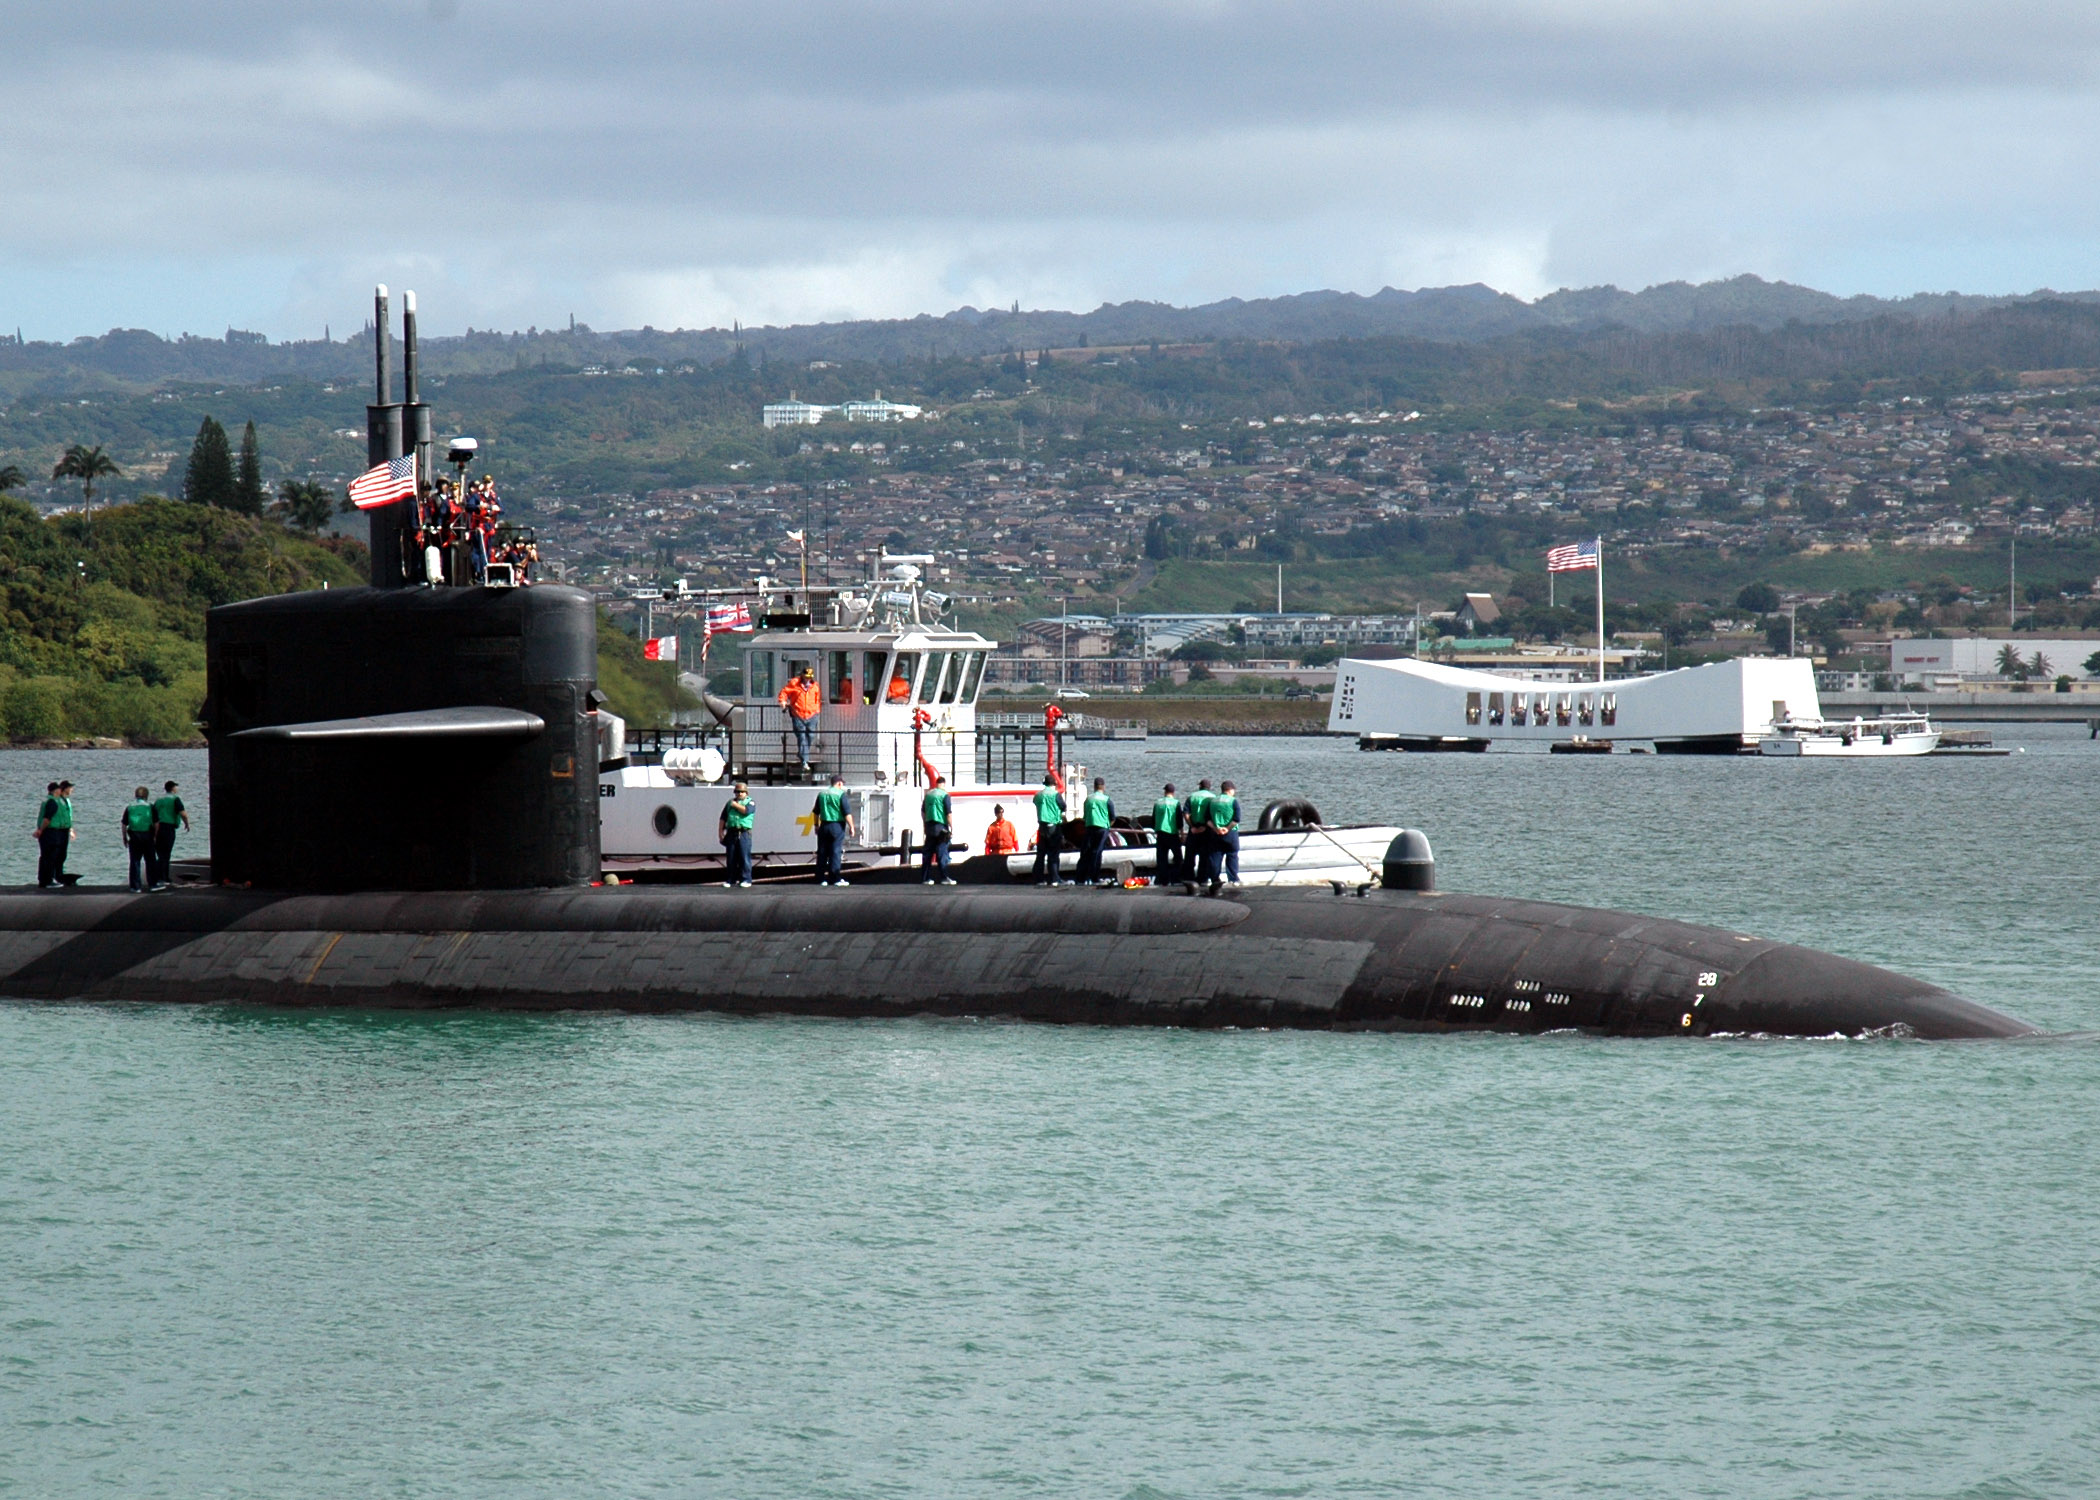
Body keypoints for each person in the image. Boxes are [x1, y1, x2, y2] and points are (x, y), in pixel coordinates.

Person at [811, 773, 854, 885]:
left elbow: (815, 812)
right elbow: (847, 813)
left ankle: (820, 879)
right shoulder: (840, 794)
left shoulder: (822, 794)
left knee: (822, 852)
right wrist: (852, 827)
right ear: (839, 783)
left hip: (824, 826)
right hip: (836, 826)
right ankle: (835, 879)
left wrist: (816, 825)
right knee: (835, 852)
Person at [778, 666, 823, 767]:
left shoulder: (815, 686)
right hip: (798, 714)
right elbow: (784, 692)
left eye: (810, 677)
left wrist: (817, 710)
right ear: (802, 676)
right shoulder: (794, 683)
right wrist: (782, 701)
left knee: (811, 736)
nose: (808, 679)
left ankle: (802, 754)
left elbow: (817, 699)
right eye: (806, 677)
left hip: (812, 714)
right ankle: (804, 760)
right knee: (801, 736)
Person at [149, 780, 190, 891]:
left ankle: (161, 876)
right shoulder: (175, 799)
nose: (177, 789)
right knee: (166, 853)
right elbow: (183, 813)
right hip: (168, 828)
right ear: (172, 788)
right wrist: (187, 823)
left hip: (156, 828)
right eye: (176, 787)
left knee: (160, 853)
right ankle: (163, 877)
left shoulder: (158, 800)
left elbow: (152, 814)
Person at [34, 780, 73, 890]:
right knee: (50, 857)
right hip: (50, 832)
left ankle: (45, 879)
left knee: (46, 856)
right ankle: (48, 880)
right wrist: (41, 830)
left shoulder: (48, 800)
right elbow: (47, 819)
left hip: (50, 832)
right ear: (56, 791)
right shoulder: (52, 802)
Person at [1076, 777, 1115, 884]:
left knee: (1085, 854)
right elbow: (1112, 817)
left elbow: (1085, 816)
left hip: (1089, 827)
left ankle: (1080, 878)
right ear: (1103, 787)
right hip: (1102, 829)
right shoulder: (1107, 800)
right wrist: (1108, 827)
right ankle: (1094, 878)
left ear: (1094, 786)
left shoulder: (1088, 799)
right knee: (1096, 853)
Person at [1030, 774, 1067, 885]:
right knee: (1053, 854)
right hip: (1053, 826)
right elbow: (1063, 807)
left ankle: (1038, 879)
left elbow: (1036, 802)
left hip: (1041, 827)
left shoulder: (1038, 795)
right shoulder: (1056, 794)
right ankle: (1054, 878)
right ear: (1054, 784)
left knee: (1040, 854)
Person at [1209, 778, 1243, 892]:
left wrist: (1216, 828)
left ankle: (1215, 880)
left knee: (1215, 857)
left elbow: (1207, 819)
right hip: (1230, 833)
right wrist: (1226, 829)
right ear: (1230, 790)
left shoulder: (1213, 801)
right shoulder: (1233, 801)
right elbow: (1236, 819)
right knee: (1232, 855)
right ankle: (1233, 880)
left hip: (1215, 833)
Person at [718, 781, 755, 887]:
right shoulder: (729, 803)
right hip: (732, 832)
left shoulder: (750, 802)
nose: (739, 794)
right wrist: (720, 832)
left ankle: (746, 879)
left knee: (744, 857)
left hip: (744, 833)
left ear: (746, 793)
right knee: (731, 857)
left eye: (742, 792)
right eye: (737, 792)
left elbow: (746, 811)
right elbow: (723, 818)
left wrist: (735, 805)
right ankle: (731, 879)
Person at [920, 775, 955, 884]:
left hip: (929, 826)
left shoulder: (928, 794)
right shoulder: (945, 795)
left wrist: (926, 823)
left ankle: (926, 878)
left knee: (927, 854)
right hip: (941, 828)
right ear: (944, 784)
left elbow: (923, 812)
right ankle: (944, 877)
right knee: (942, 852)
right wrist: (952, 827)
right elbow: (948, 813)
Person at [121, 786, 155, 893]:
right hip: (148, 835)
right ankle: (153, 884)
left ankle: (135, 886)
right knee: (150, 860)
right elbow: (157, 823)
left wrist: (125, 838)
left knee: (135, 861)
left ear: (136, 796)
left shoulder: (130, 807)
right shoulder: (150, 806)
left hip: (134, 836)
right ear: (146, 796)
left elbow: (124, 824)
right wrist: (155, 836)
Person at [1151, 782, 1184, 883]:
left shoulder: (1157, 803)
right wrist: (1181, 833)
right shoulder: (1176, 803)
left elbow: (1153, 819)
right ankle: (1176, 878)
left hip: (1160, 833)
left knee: (1162, 858)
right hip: (1172, 833)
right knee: (1178, 857)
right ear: (1173, 792)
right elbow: (1179, 820)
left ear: (1165, 791)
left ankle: (1163, 880)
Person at [1186, 778, 1217, 886]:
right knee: (1205, 856)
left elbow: (1186, 814)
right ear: (1209, 787)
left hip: (1193, 830)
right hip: (1207, 830)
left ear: (1200, 786)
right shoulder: (1213, 798)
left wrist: (1192, 827)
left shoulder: (1191, 797)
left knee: (1190, 855)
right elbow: (1214, 815)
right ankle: (1202, 879)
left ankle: (1189, 878)